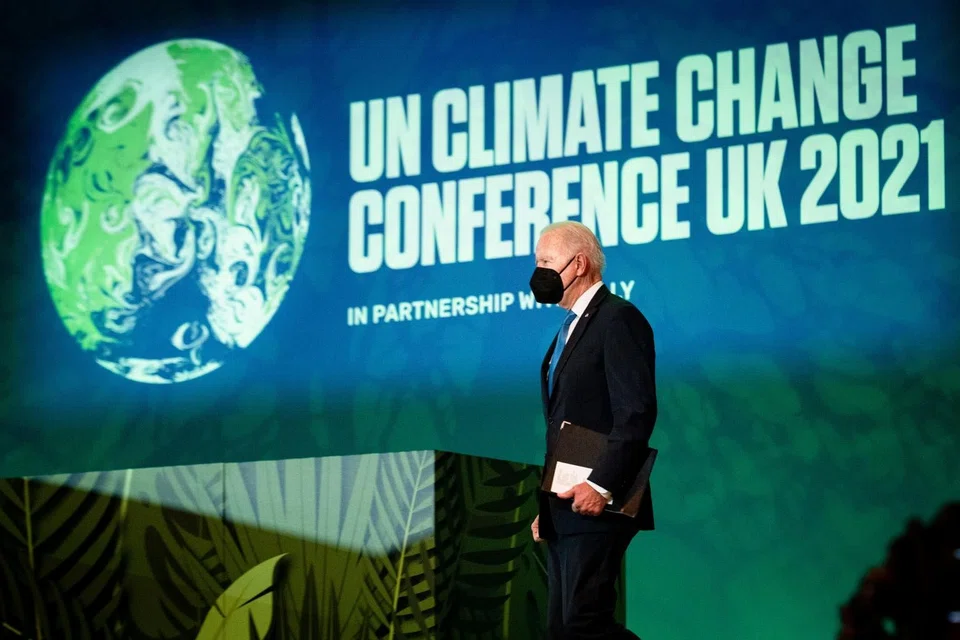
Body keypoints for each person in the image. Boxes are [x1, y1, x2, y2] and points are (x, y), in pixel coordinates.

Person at [528, 221, 657, 640]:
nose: (538, 272)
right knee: (562, 629)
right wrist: (550, 504)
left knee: (585, 624)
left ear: (579, 264)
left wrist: (601, 485)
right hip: (566, 505)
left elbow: (635, 413)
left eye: (546, 262)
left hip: (600, 499)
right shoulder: (569, 328)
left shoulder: (618, 319)